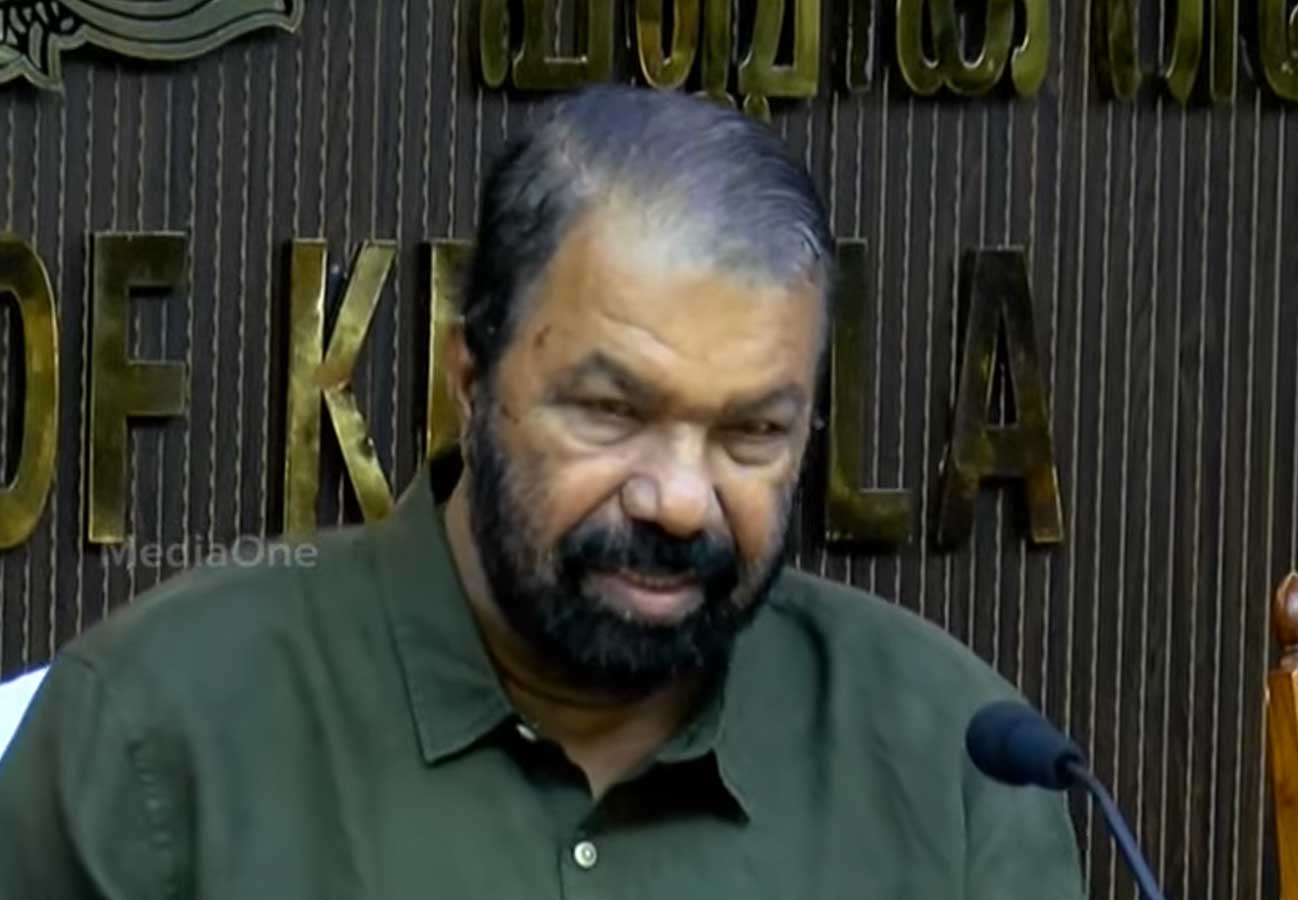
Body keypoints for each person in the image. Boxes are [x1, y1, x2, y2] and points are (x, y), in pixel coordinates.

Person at [0, 85, 1084, 899]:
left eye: (752, 432)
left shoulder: (953, 766)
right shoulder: (156, 735)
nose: (678, 499)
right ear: (469, 380)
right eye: (611, 412)